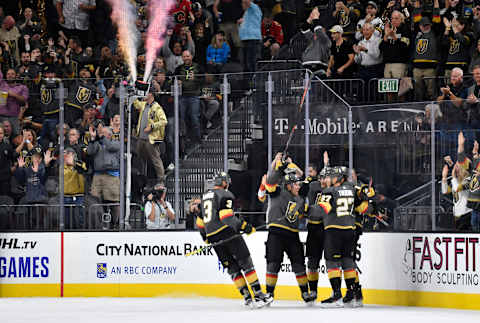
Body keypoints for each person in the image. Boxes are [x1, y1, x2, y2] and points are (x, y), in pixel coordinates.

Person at [196, 171, 272, 308]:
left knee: (232, 267)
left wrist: (206, 238)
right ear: (224, 182)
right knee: (246, 262)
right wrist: (244, 226)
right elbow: (226, 217)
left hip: (213, 237)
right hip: (226, 233)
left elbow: (200, 223)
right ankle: (259, 295)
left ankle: (247, 298)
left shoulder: (205, 196)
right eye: (227, 181)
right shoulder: (225, 194)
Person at [264, 153, 315, 304]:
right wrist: (279, 165)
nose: (298, 186)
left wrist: (292, 166)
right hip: (276, 233)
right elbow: (270, 180)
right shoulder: (277, 192)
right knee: (273, 263)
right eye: (296, 184)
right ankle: (269, 294)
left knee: (299, 264)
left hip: (293, 235)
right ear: (288, 185)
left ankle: (305, 293)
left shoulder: (299, 197)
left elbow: (305, 181)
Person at [316, 166, 367, 307]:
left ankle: (336, 295)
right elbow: (362, 208)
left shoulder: (329, 191)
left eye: (331, 176)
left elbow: (321, 211)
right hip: (350, 230)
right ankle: (352, 294)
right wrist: (367, 199)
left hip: (334, 230)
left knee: (332, 263)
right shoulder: (351, 189)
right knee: (348, 262)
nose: (328, 179)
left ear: (338, 178)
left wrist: (305, 210)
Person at [305, 151, 329, 301]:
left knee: (333, 261)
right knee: (312, 262)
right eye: (321, 177)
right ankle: (313, 290)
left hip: (327, 228)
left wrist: (327, 164)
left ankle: (336, 290)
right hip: (313, 228)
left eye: (325, 177)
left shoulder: (332, 189)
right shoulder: (312, 186)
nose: (323, 180)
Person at [87, 125, 121, 229]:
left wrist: (102, 138)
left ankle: (116, 224)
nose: (100, 133)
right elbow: (89, 152)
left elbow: (110, 147)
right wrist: (93, 139)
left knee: (113, 201)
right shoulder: (97, 143)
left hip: (111, 175)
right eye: (100, 132)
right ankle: (99, 224)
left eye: (103, 132)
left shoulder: (116, 142)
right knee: (95, 201)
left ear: (109, 135)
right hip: (97, 175)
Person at [134, 90, 168, 183]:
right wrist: (132, 92)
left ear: (151, 95)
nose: (144, 95)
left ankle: (161, 180)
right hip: (141, 137)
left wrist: (152, 126)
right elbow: (136, 103)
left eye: (146, 93)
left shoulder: (157, 108)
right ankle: (142, 178)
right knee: (140, 158)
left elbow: (164, 121)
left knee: (155, 159)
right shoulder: (144, 104)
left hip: (151, 138)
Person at [175, 50, 204, 148]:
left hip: (194, 96)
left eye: (188, 56)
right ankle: (185, 141)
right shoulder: (178, 69)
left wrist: (195, 78)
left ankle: (198, 140)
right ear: (182, 58)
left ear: (191, 56)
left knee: (194, 118)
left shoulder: (198, 67)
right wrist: (177, 82)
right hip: (182, 97)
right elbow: (173, 80)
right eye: (184, 56)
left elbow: (204, 80)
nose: (186, 58)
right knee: (182, 119)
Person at [441, 161, 472, 231]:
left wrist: (453, 177)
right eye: (455, 167)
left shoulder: (469, 180)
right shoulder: (455, 181)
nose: (455, 170)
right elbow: (445, 191)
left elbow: (457, 189)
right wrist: (444, 178)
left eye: (458, 167)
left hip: (466, 214)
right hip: (457, 215)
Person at [0, 68, 28, 134]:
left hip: (14, 117)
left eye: (12, 74)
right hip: (1, 116)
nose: (10, 75)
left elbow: (24, 100)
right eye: (8, 74)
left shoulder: (22, 87)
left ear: (16, 76)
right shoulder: (2, 84)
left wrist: (13, 95)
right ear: (5, 76)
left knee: (16, 137)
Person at [238, 0, 262, 73]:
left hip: (253, 39)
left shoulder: (255, 8)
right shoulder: (246, 13)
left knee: (251, 62)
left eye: (243, 3)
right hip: (245, 40)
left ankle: (253, 81)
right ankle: (247, 82)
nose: (242, 5)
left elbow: (247, 1)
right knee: (245, 63)